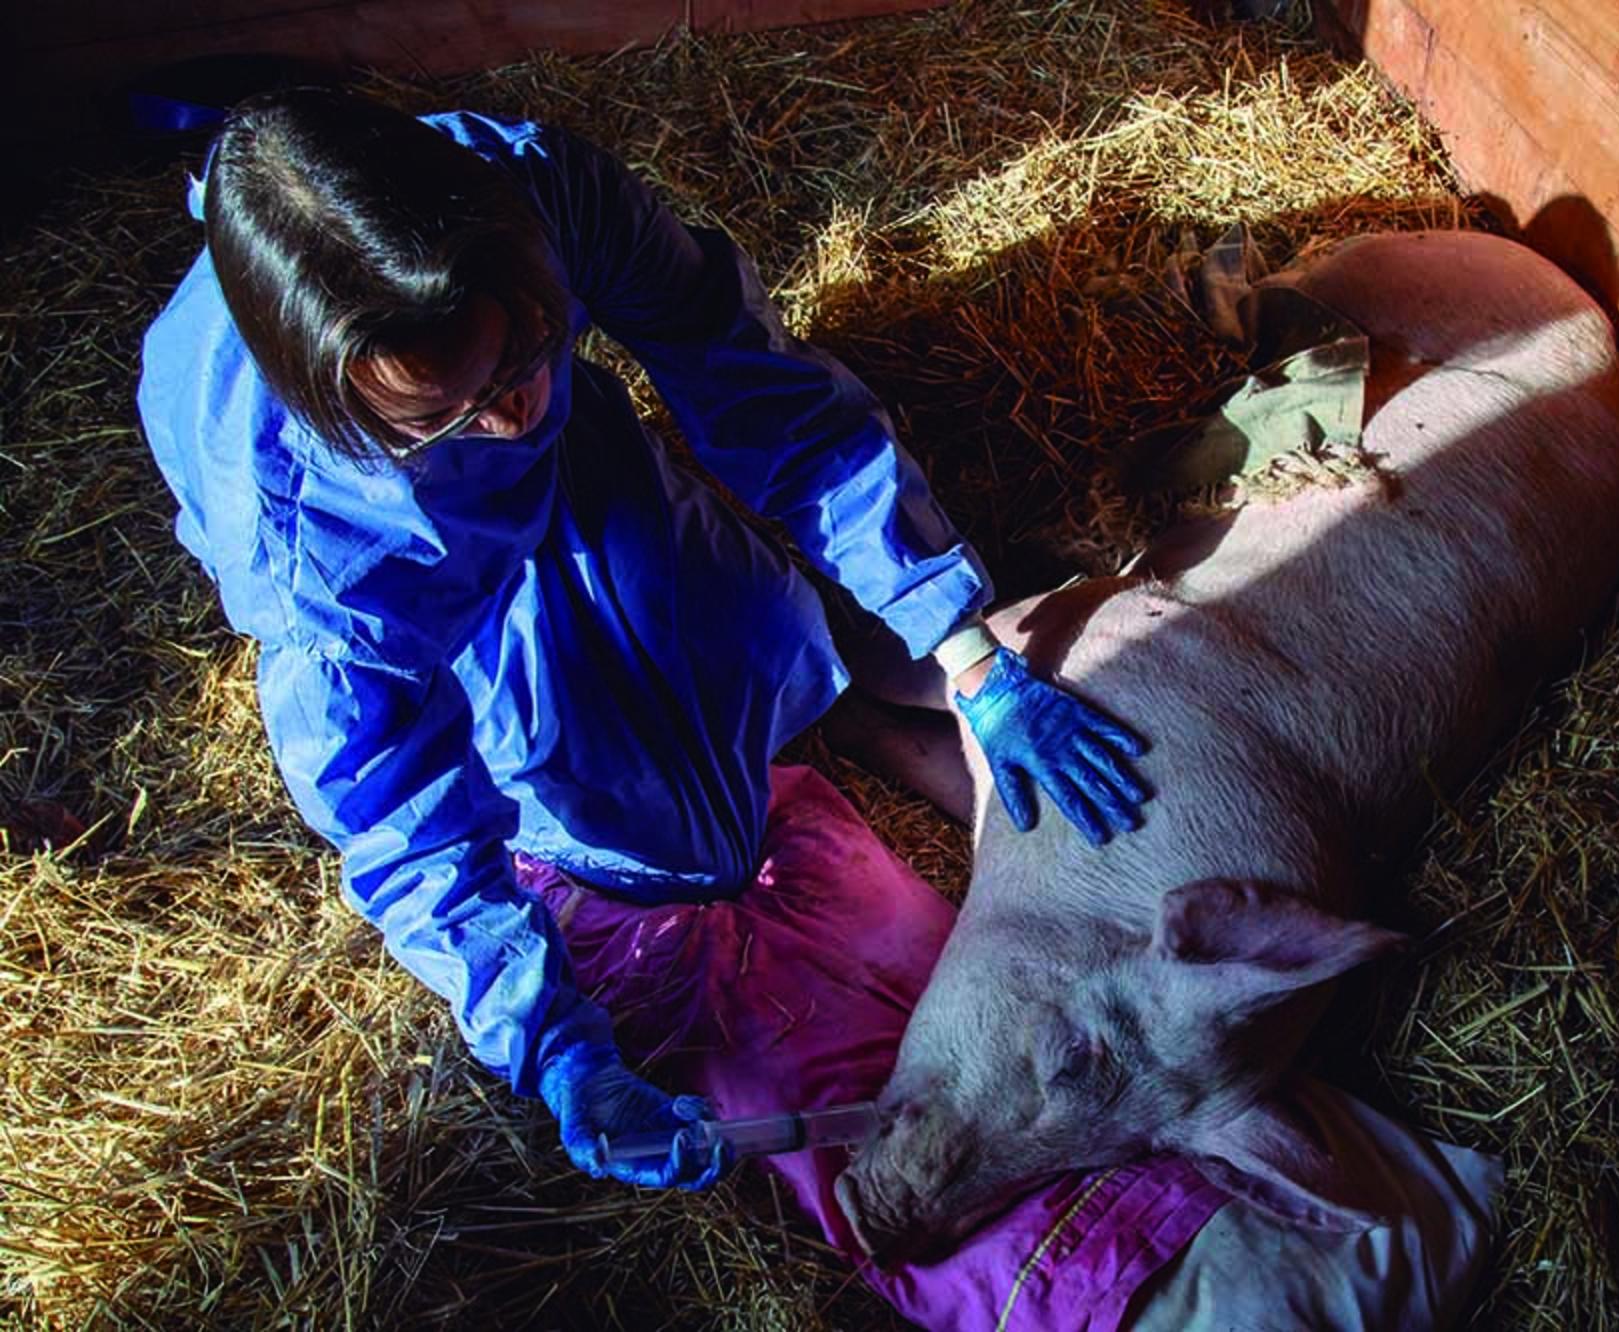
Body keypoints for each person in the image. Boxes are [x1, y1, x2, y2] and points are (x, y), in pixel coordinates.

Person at [136, 86, 1151, 1194]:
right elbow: (398, 819)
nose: (509, 417)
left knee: (750, 628)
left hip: (573, 442)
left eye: (520, 357)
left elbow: (745, 372)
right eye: (445, 411)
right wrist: (552, 1045)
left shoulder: (530, 192)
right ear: (354, 409)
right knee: (651, 830)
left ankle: (825, 701)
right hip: (425, 545)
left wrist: (957, 640)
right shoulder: (320, 558)